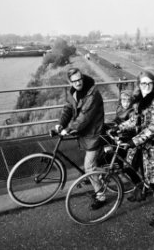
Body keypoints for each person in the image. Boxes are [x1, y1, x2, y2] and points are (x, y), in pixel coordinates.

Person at [118, 70, 154, 227]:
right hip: (141, 145)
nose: (146, 86)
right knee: (129, 167)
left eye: (149, 83)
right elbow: (134, 120)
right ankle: (141, 188)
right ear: (138, 84)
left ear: (153, 84)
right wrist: (119, 127)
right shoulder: (138, 101)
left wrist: (135, 140)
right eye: (143, 83)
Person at [55, 67, 105, 210]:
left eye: (79, 79)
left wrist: (69, 129)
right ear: (70, 82)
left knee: (89, 167)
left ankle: (101, 196)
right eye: (74, 81)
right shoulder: (73, 92)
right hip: (85, 134)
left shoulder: (92, 93)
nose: (78, 83)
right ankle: (95, 177)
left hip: (93, 133)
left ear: (82, 77)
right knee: (91, 165)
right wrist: (61, 124)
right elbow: (68, 108)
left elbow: (84, 117)